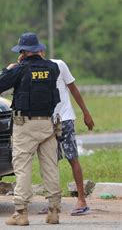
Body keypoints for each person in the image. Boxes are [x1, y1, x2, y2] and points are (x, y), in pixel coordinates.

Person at [0, 32, 62, 226]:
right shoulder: (53, 68)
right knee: (50, 167)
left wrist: (10, 69)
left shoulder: (19, 69)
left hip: (25, 125)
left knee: (22, 168)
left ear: (22, 52)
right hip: (48, 125)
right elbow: (44, 70)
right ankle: (54, 211)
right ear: (39, 49)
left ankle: (21, 213)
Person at [38, 57, 95, 216]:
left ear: (41, 51)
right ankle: (53, 202)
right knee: (49, 162)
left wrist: (86, 113)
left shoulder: (59, 65)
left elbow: (73, 89)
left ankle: (82, 200)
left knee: (72, 158)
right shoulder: (30, 70)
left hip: (64, 119)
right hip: (45, 121)